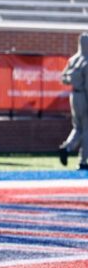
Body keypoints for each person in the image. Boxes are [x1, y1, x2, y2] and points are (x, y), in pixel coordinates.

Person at [59, 33, 88, 170]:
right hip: (84, 96)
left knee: (77, 127)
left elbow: (63, 77)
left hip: (73, 95)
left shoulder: (73, 60)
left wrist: (72, 81)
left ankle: (67, 147)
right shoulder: (86, 61)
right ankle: (83, 160)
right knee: (86, 130)